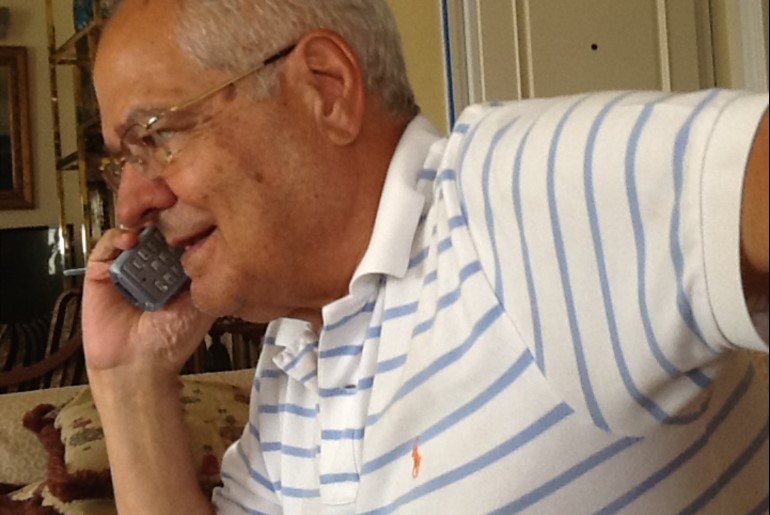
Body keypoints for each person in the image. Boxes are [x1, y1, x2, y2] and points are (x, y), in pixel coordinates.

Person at [84, 0, 769, 513]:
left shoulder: (500, 202)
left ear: (326, 87)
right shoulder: (296, 356)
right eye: (124, 162)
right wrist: (127, 381)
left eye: (156, 137)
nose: (131, 204)